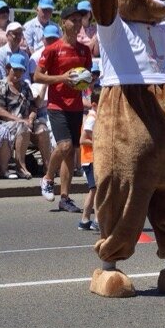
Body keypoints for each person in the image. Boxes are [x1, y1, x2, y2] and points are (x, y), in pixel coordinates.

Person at [35, 4, 92, 211]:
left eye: (80, 20)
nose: (78, 24)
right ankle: (48, 177)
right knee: (65, 145)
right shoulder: (52, 49)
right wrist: (62, 78)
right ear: (63, 23)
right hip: (57, 105)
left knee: (71, 153)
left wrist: (87, 81)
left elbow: (86, 75)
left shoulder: (84, 50)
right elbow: (37, 75)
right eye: (73, 20)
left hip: (76, 106)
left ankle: (65, 197)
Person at [0, 55, 44, 180]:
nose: (18, 73)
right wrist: (19, 120)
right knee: (23, 127)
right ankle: (20, 165)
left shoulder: (25, 86)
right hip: (6, 123)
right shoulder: (0, 85)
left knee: (43, 127)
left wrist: (31, 118)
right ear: (8, 68)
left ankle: (47, 166)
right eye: (15, 69)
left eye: (21, 70)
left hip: (25, 121)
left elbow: (33, 107)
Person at [77, 85, 101, 231]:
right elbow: (83, 139)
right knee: (97, 189)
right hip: (90, 158)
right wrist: (99, 142)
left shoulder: (94, 115)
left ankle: (85, 220)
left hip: (90, 158)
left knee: (93, 190)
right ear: (94, 104)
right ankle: (97, 221)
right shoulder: (92, 118)